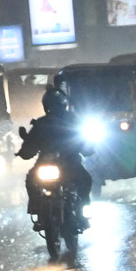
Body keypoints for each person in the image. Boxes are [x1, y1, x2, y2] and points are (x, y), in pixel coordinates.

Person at [16, 87, 93, 226]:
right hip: (46, 163)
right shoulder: (41, 124)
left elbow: (84, 141)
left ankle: (81, 212)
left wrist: (87, 148)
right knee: (31, 180)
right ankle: (37, 209)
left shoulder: (72, 122)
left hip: (70, 163)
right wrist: (25, 150)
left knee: (85, 180)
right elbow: (30, 145)